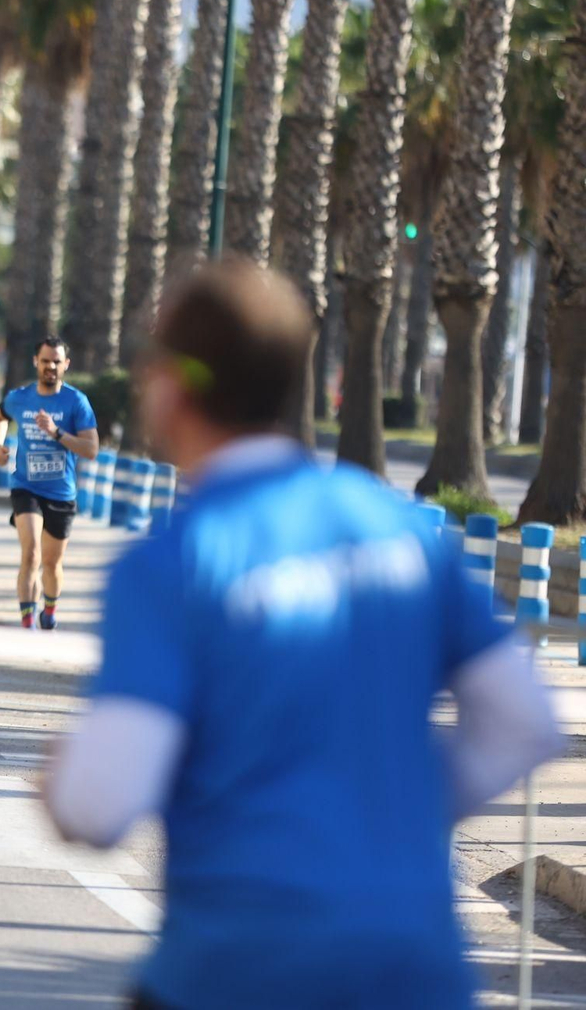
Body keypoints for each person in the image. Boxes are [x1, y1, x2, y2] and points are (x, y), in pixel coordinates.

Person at [46, 260, 563, 1010]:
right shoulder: (400, 529)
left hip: (237, 967)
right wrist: (396, 804)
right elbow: (525, 721)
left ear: (174, 385)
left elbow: (100, 804)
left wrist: (59, 777)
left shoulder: (174, 562)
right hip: (416, 969)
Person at [0, 336, 99, 629]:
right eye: (45, 361)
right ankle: (27, 622)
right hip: (26, 486)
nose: (50, 366)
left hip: (62, 493)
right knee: (32, 554)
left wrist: (57, 433)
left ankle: (49, 609)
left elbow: (91, 449)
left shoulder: (76, 402)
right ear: (35, 362)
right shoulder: (20, 397)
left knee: (51, 564)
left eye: (56, 361)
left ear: (66, 365)